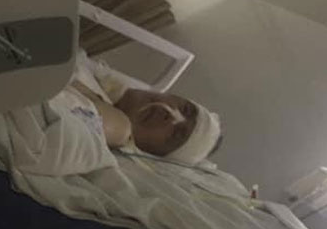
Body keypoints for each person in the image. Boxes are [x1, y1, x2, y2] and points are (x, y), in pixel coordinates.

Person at [64, 51, 222, 167]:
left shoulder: (93, 134)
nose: (172, 115)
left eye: (176, 134)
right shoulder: (96, 74)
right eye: (186, 109)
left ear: (151, 153)